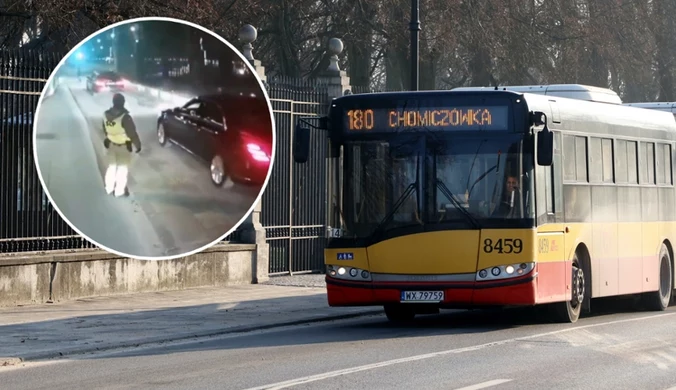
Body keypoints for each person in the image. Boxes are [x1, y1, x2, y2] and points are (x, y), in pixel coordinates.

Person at [102, 93, 142, 197]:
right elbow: (132, 133)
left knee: (111, 168)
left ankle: (109, 188)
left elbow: (105, 129)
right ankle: (119, 191)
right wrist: (138, 145)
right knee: (122, 169)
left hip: (110, 145)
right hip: (123, 147)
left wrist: (109, 137)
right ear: (122, 103)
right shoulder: (125, 117)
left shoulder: (105, 115)